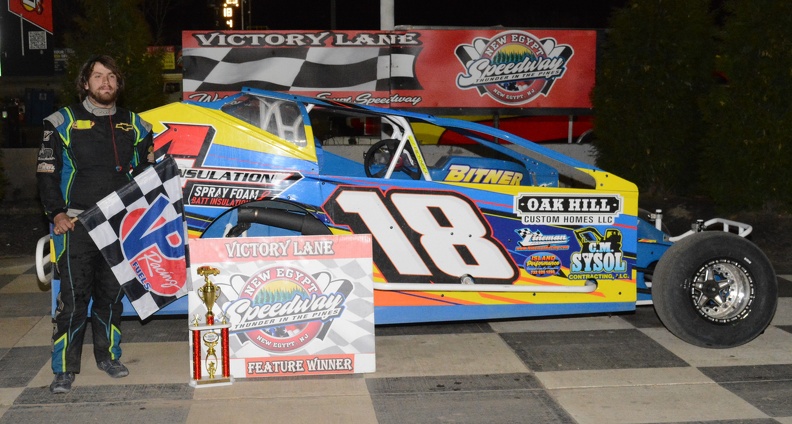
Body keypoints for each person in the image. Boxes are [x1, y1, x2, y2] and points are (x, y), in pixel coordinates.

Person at [36, 55, 154, 394]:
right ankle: (63, 368)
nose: (106, 82)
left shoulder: (138, 125)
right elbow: (46, 174)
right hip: (75, 224)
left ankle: (109, 356)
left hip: (119, 225)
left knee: (111, 298)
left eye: (111, 76)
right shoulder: (61, 122)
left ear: (118, 82)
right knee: (73, 300)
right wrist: (56, 214)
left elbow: (146, 175)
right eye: (98, 76)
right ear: (85, 83)